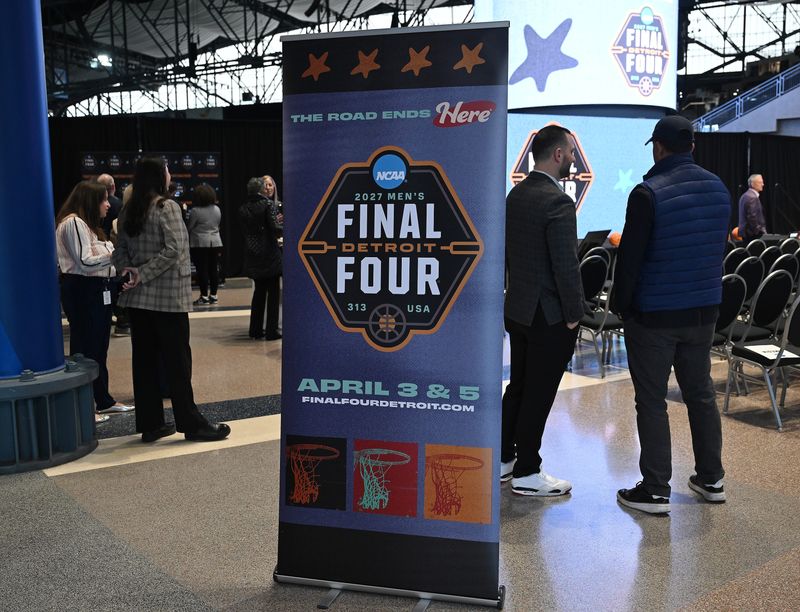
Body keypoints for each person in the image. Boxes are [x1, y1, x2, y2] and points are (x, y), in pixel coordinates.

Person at [613, 115, 730, 514]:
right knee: (700, 394)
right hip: (704, 312)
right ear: (692, 147)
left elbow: (629, 262)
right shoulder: (718, 188)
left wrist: (621, 307)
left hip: (655, 316)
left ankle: (656, 489)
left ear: (658, 147)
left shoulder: (647, 193)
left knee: (652, 400)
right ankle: (712, 478)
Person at [113, 156, 231, 443]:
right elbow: (175, 249)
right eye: (166, 170)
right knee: (177, 362)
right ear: (159, 176)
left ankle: (151, 424)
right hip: (167, 300)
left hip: (138, 300)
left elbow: (120, 252)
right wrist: (143, 273)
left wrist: (131, 272)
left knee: (144, 363)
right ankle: (192, 424)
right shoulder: (167, 207)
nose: (169, 175)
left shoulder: (129, 210)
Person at [501, 125, 584, 497]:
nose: (573, 158)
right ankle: (528, 472)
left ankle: (505, 458)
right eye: (569, 151)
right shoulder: (559, 202)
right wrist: (574, 314)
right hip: (548, 316)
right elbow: (566, 266)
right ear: (556, 154)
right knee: (538, 392)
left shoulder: (515, 195)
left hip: (517, 309)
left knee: (518, 386)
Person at [55, 181, 134, 423]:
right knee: (86, 348)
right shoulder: (73, 223)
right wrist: (113, 254)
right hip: (83, 289)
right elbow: (85, 261)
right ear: (91, 201)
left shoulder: (88, 226)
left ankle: (103, 400)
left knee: (99, 347)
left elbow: (99, 252)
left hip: (97, 289)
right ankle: (85, 405)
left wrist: (108, 252)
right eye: (103, 200)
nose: (108, 204)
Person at [240, 177, 283, 340]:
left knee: (258, 293)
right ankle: (272, 331)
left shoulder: (243, 208)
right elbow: (275, 228)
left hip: (252, 254)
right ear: (261, 190)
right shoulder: (267, 204)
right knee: (273, 294)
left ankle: (255, 330)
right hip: (270, 254)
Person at [186, 183, 223, 305]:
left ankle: (204, 296)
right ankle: (214, 295)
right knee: (213, 269)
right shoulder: (217, 209)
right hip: (216, 242)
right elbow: (217, 224)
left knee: (202, 270)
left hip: (199, 244)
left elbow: (190, 227)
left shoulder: (195, 211)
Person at [737, 173, 766, 242]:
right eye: (760, 182)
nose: (763, 184)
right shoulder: (751, 197)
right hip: (752, 235)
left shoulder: (745, 195)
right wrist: (760, 233)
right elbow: (752, 218)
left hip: (747, 234)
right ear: (752, 184)